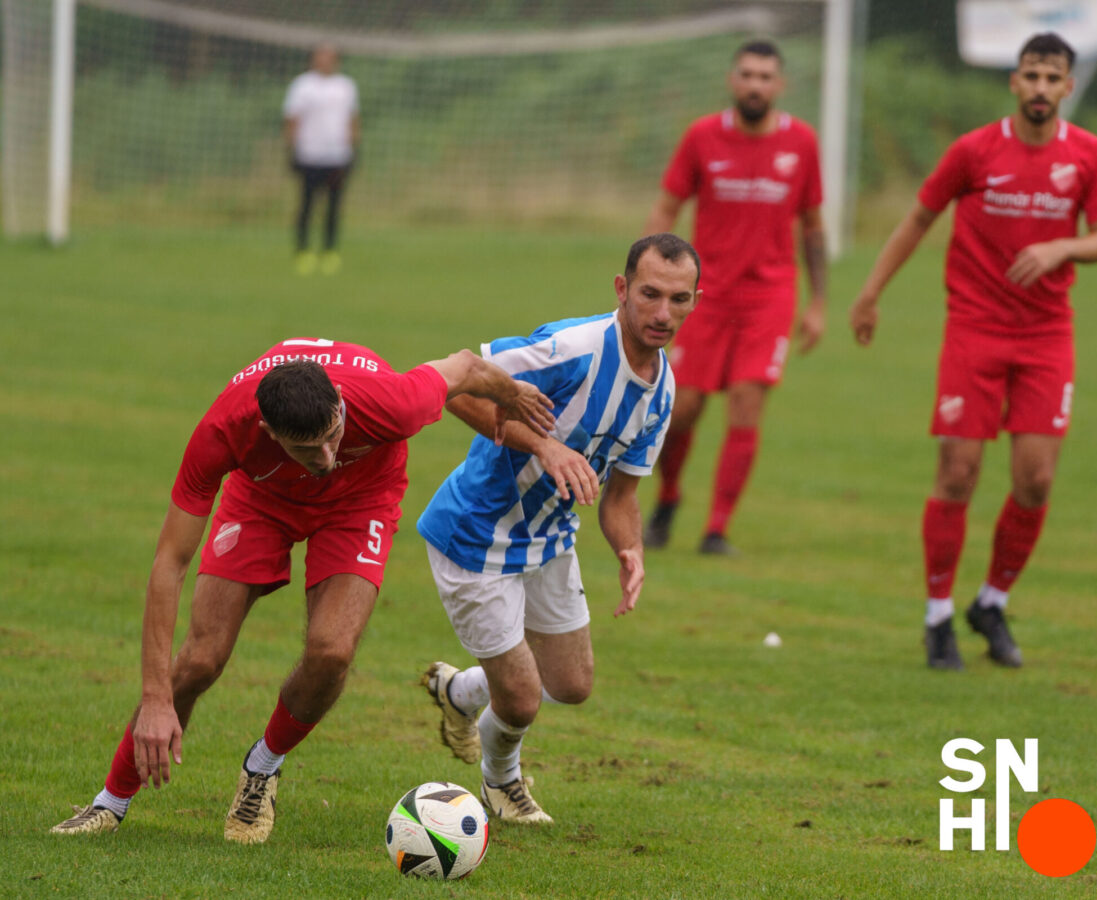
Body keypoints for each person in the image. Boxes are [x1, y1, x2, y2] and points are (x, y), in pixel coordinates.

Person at [49, 339, 555, 843]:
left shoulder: (391, 401)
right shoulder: (223, 430)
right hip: (261, 499)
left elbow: (465, 367)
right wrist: (155, 698)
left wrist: (513, 395)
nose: (327, 457)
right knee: (201, 659)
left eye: (333, 436)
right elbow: (169, 563)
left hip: (361, 500)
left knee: (332, 651)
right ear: (269, 432)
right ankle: (110, 802)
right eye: (307, 449)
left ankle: (263, 764)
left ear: (340, 403)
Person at [849, 32, 1097, 671]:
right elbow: (918, 218)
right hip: (974, 331)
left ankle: (991, 601)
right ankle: (938, 615)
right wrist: (871, 293)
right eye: (1031, 76)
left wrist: (1062, 247)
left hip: (1046, 336)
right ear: (1014, 82)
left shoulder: (1089, 155)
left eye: (1052, 78)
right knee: (958, 472)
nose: (1040, 88)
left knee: (1036, 479)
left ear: (1068, 87)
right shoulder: (974, 151)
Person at [418, 233, 699, 823]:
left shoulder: (662, 392)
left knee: (571, 683)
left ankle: (459, 693)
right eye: (650, 294)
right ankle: (502, 783)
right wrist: (544, 445)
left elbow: (621, 495)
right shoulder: (571, 349)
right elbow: (457, 387)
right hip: (477, 534)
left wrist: (631, 549)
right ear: (622, 289)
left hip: (549, 539)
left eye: (679, 299)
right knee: (521, 699)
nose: (663, 313)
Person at [641, 40, 826, 555]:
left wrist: (818, 303)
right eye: (747, 74)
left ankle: (717, 530)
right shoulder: (702, 136)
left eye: (765, 76)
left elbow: (813, 225)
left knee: (747, 406)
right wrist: (645, 277)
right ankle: (669, 497)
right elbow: (667, 207)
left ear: (780, 85)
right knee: (683, 408)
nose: (755, 84)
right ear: (732, 80)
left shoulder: (802, 143)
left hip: (770, 296)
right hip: (703, 295)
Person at [283, 44, 359, 276]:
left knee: (334, 207)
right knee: (306, 205)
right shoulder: (302, 85)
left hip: (337, 155)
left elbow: (353, 119)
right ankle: (303, 250)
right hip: (309, 154)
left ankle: (330, 251)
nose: (325, 60)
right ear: (314, 59)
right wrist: (291, 149)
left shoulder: (346, 86)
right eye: (321, 56)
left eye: (329, 56)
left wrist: (355, 149)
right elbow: (292, 119)